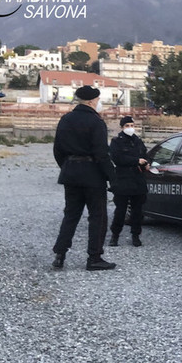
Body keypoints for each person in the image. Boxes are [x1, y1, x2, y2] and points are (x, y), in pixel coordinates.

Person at [51, 86, 116, 271]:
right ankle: (94, 257)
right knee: (97, 217)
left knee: (71, 215)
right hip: (92, 175)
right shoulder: (96, 122)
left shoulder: (65, 119)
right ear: (92, 101)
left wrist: (67, 166)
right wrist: (112, 177)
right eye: (98, 100)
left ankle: (60, 254)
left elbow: (57, 149)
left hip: (71, 173)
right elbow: (101, 153)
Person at [108, 115, 148, 247]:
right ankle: (115, 235)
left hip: (138, 179)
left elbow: (145, 155)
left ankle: (136, 235)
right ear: (122, 127)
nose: (130, 128)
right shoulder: (116, 141)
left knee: (137, 211)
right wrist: (136, 161)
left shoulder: (138, 141)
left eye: (132, 125)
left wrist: (146, 164)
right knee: (120, 210)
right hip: (123, 179)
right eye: (127, 126)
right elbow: (117, 158)